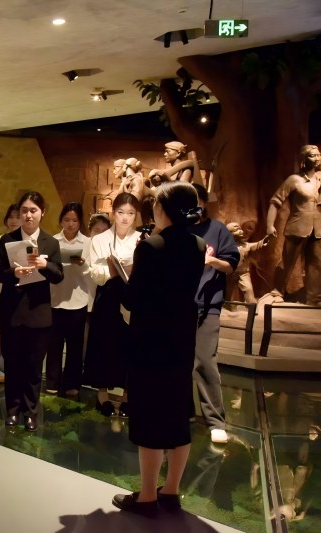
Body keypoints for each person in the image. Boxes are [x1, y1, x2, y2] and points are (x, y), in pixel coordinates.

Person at [112, 181, 206, 516]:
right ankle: (171, 492)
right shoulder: (198, 244)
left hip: (151, 341)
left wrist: (116, 277)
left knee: (150, 416)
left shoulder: (151, 246)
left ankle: (147, 498)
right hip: (181, 339)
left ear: (163, 208)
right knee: (178, 414)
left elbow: (134, 298)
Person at [0, 191, 63, 431]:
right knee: (12, 364)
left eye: (33, 210)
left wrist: (45, 264)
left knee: (33, 367)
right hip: (12, 311)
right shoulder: (7, 240)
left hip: (38, 312)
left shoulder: (50, 242)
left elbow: (58, 275)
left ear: (42, 213)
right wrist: (14, 273)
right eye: (24, 211)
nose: (29, 215)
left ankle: (31, 412)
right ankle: (12, 410)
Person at [82, 193, 141, 417]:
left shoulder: (141, 239)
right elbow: (95, 272)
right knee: (103, 346)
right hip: (107, 295)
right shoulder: (100, 239)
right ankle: (102, 395)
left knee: (130, 347)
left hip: (132, 296)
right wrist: (114, 270)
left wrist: (131, 269)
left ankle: (127, 396)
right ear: (113, 213)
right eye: (121, 212)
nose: (125, 218)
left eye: (130, 213)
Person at [190, 184, 239, 444]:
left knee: (205, 360)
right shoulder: (178, 229)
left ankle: (215, 420)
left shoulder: (217, 230)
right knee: (177, 360)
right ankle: (183, 411)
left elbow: (231, 265)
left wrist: (211, 261)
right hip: (178, 305)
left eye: (196, 203)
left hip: (207, 305)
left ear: (204, 203)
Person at [266, 145, 321, 306]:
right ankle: (278, 291)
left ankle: (314, 298)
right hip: (297, 227)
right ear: (304, 159)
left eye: (318, 155)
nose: (317, 158)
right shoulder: (294, 180)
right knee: (287, 262)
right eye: (313, 155)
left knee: (316, 264)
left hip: (319, 229)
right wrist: (270, 225)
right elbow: (275, 201)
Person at [47, 202, 94, 397]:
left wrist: (83, 265)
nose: (70, 224)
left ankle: (72, 383)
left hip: (78, 299)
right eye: (66, 220)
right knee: (54, 344)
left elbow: (91, 272)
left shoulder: (87, 243)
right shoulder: (53, 241)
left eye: (74, 220)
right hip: (55, 298)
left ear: (80, 222)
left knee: (75, 346)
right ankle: (52, 381)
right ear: (61, 220)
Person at [0, 204, 22, 383]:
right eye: (11, 216)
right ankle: (0, 369)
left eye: (18, 216)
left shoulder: (27, 242)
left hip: (22, 294)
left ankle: (17, 369)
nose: (14, 220)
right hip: (1, 293)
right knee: (1, 335)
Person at [226, 222, 271, 304]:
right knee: (227, 291)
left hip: (243, 273)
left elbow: (257, 245)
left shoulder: (246, 246)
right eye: (236, 229)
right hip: (229, 273)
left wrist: (265, 240)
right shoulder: (225, 247)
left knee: (248, 289)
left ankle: (252, 307)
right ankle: (225, 306)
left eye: (240, 229)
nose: (240, 231)